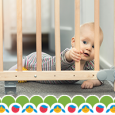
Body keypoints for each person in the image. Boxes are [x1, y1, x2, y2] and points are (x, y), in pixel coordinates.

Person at [9, 22, 103, 89]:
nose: (89, 48)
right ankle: (7, 74)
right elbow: (63, 60)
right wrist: (70, 55)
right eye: (85, 42)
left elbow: (100, 77)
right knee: (23, 63)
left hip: (41, 78)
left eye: (94, 46)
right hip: (38, 61)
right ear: (73, 42)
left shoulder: (89, 64)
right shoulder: (71, 54)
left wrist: (92, 82)